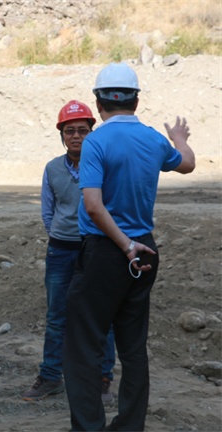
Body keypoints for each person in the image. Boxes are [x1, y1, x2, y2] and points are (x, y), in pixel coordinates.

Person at [62, 63, 195, 431]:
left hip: (108, 251)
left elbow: (93, 205)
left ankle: (89, 427)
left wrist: (124, 246)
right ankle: (130, 426)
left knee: (84, 346)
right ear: (136, 101)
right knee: (133, 347)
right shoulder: (154, 140)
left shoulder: (96, 142)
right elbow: (186, 163)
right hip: (145, 251)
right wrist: (178, 137)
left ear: (98, 102)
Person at [22, 101, 117, 404]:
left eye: (82, 131)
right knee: (56, 316)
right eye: (70, 131)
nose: (76, 136)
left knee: (101, 316)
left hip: (97, 249)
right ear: (62, 135)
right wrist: (61, 235)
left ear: (92, 132)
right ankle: (51, 376)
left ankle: (102, 378)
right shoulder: (52, 168)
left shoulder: (104, 164)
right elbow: (47, 211)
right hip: (61, 252)